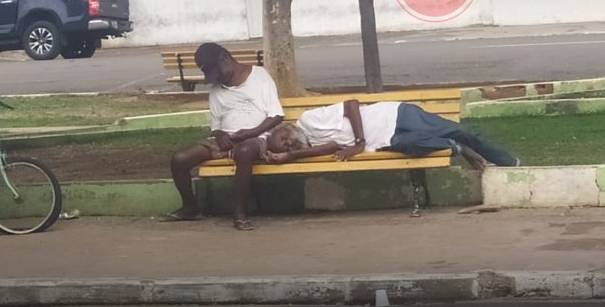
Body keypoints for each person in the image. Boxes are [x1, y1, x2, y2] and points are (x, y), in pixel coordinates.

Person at [165, 42, 284, 231]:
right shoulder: (217, 88)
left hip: (257, 136)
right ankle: (190, 208)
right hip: (225, 139)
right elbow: (216, 124)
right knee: (179, 159)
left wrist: (251, 133)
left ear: (225, 58)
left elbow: (277, 115)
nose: (217, 78)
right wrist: (219, 134)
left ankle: (239, 213)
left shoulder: (259, 76)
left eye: (217, 72)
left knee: (244, 151)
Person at [264, 100, 519, 169]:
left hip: (394, 116)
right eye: (285, 146)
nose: (288, 143)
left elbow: (351, 104)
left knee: (460, 130)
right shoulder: (311, 146)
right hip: (387, 142)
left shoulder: (309, 120)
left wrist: (359, 142)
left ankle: (510, 163)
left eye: (284, 138)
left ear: (288, 127)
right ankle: (460, 149)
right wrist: (291, 155)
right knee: (415, 146)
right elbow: (333, 147)